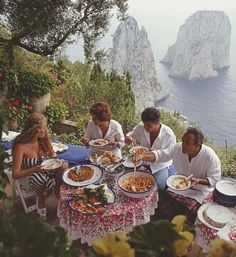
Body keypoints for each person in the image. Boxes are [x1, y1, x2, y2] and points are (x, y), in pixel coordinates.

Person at [134, 127, 221, 224]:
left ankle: (181, 228)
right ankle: (164, 223)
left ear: (197, 146)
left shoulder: (210, 156)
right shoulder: (177, 148)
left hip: (200, 192)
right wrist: (142, 156)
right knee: (163, 198)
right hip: (179, 185)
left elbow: (215, 180)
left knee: (189, 209)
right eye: (183, 140)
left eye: (187, 143)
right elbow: (161, 155)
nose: (183, 145)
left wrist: (199, 181)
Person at [12, 113, 68, 217]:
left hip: (44, 172)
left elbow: (53, 156)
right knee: (40, 179)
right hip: (28, 177)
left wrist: (53, 156)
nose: (44, 130)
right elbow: (15, 174)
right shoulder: (20, 146)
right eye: (41, 128)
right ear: (32, 130)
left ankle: (57, 189)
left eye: (45, 127)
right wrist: (34, 169)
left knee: (64, 165)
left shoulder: (42, 139)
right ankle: (42, 211)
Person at [125, 107, 176, 190]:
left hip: (160, 165)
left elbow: (168, 155)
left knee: (159, 185)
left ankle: (155, 201)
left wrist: (148, 155)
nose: (145, 128)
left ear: (157, 123)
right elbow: (132, 135)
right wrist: (128, 138)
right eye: (144, 124)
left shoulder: (169, 135)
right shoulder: (142, 126)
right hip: (141, 161)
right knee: (126, 174)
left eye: (149, 125)